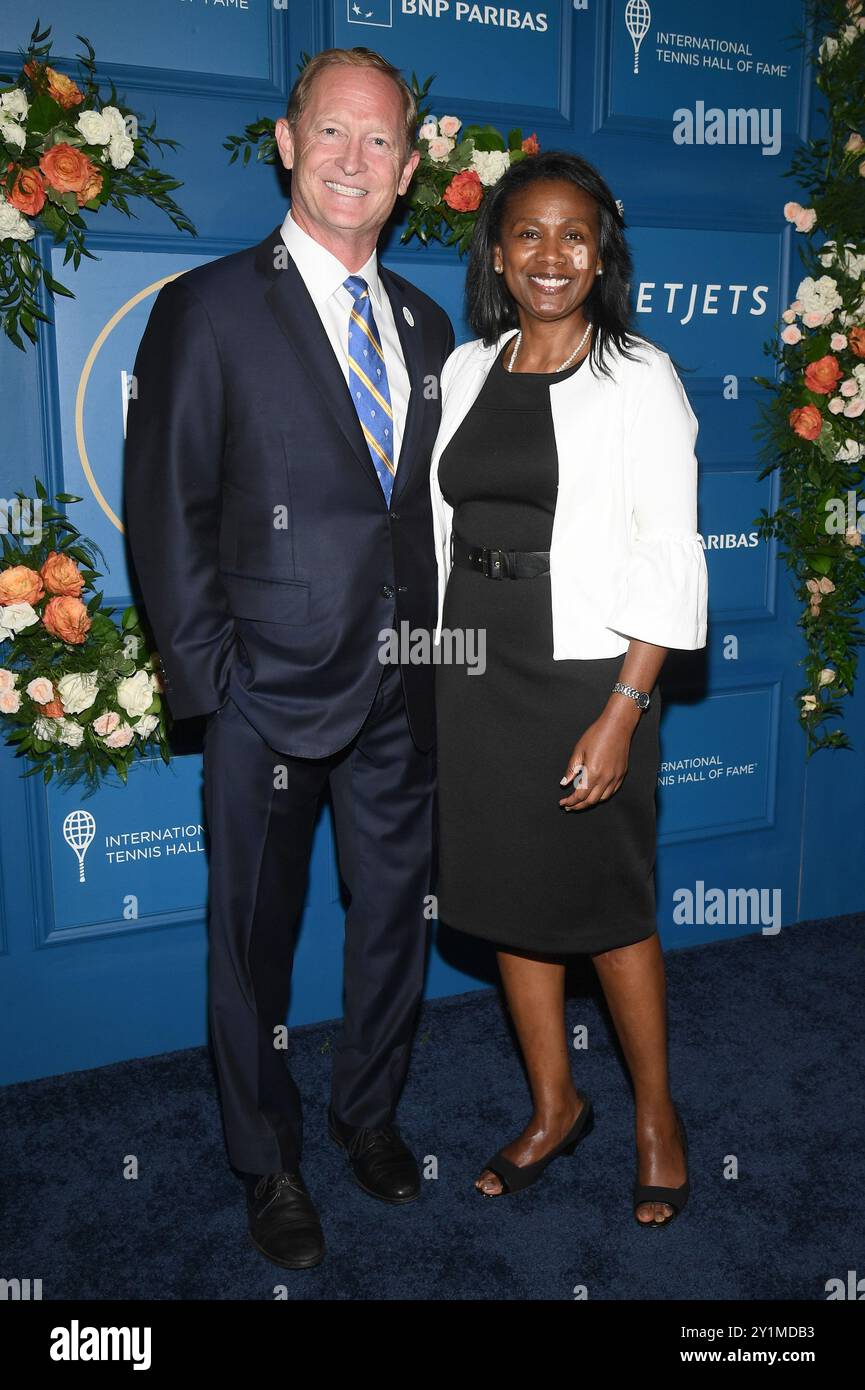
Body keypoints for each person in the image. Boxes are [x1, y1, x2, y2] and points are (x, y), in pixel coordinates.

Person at [124, 46, 454, 1269]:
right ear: (286, 140)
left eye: (378, 143)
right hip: (264, 695)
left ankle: (367, 1115)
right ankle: (268, 1162)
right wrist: (215, 690)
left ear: (409, 170)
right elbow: (166, 511)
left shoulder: (424, 324)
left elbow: (418, 516)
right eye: (332, 133)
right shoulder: (207, 309)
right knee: (251, 943)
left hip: (400, 691)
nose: (352, 160)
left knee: (390, 927)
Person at [429, 150, 708, 1225]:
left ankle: (654, 1116)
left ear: (600, 257)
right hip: (476, 658)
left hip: (587, 662)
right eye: (529, 234)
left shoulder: (639, 376)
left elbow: (670, 550)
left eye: (573, 236)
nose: (551, 254)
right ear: (498, 253)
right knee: (506, 891)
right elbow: (437, 529)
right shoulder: (464, 369)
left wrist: (624, 708)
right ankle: (554, 1105)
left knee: (604, 903)